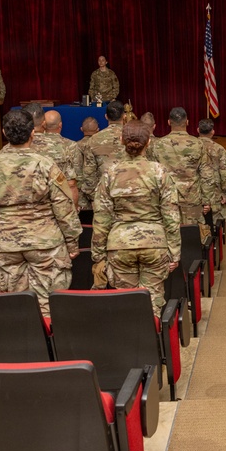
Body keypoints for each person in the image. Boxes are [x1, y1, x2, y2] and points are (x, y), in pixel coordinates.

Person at [0, 109, 81, 316]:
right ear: (33, 133)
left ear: (4, 132)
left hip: (5, 243)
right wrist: (72, 242)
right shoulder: (45, 164)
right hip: (45, 244)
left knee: (14, 306)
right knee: (48, 305)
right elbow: (64, 208)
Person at [92, 120, 181, 314]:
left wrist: (98, 254)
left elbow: (101, 218)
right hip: (155, 244)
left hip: (120, 245)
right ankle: (154, 341)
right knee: (154, 301)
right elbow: (171, 215)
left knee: (126, 302)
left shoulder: (110, 173)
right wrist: (174, 251)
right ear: (148, 142)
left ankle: (129, 341)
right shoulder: (159, 172)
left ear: (121, 140)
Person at [151, 107, 212, 226]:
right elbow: (206, 174)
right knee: (192, 236)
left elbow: (152, 174)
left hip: (166, 199)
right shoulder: (198, 144)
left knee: (169, 234)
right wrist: (207, 201)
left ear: (169, 122)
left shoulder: (157, 145)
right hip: (192, 199)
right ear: (187, 122)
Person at [81, 100, 127, 207]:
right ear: (124, 116)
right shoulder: (133, 136)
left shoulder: (93, 140)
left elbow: (88, 173)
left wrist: (95, 196)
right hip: (130, 195)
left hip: (103, 196)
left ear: (106, 116)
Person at [199, 118, 226, 224]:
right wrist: (225, 193)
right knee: (215, 221)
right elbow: (225, 173)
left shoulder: (191, 147)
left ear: (197, 130)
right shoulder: (220, 150)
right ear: (213, 132)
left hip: (195, 191)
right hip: (215, 191)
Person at [76, 116, 100, 210]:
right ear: (98, 130)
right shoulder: (99, 146)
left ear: (81, 129)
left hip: (81, 196)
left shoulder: (75, 146)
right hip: (99, 193)